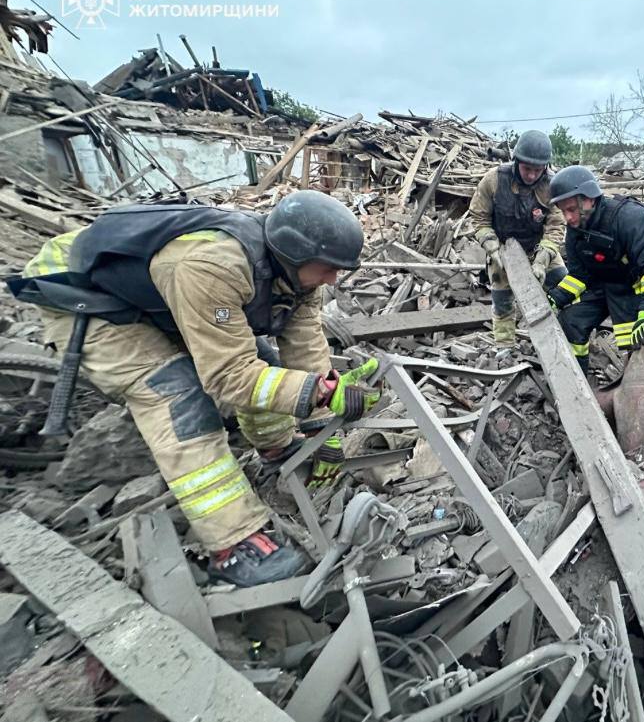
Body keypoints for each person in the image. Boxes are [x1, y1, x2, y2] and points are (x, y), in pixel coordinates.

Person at [14, 192, 382, 586]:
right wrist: (320, 393)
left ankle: (276, 447)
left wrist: (321, 423)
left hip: (160, 297)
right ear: (293, 253)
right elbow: (228, 376)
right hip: (89, 299)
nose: (333, 279)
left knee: (265, 365)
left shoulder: (300, 277)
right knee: (177, 395)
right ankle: (232, 543)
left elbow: (305, 347)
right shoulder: (212, 266)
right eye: (329, 268)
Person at [545, 165, 644, 371]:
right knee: (571, 321)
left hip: (634, 287)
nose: (567, 218)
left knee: (638, 338)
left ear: (589, 199)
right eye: (563, 211)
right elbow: (580, 275)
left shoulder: (630, 218)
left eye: (571, 209)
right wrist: (557, 297)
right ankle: (575, 378)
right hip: (603, 285)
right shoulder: (576, 229)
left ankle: (637, 379)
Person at [468, 130, 568, 346]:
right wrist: (493, 248)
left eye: (537, 170)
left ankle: (565, 338)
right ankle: (504, 346)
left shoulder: (552, 186)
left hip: (539, 247)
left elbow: (556, 225)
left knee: (564, 287)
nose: (532, 175)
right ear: (516, 161)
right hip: (503, 249)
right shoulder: (493, 180)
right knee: (502, 301)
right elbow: (479, 217)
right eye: (527, 169)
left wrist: (542, 261)